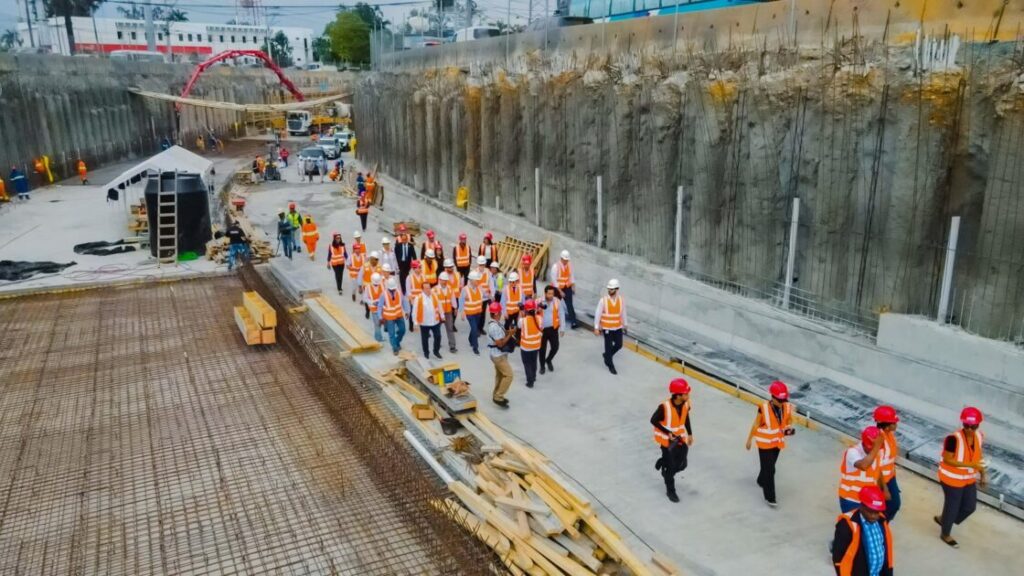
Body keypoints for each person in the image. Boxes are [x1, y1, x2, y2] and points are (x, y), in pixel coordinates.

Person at [935, 407, 987, 548]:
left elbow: (979, 456)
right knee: (952, 507)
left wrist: (983, 474)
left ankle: (945, 519)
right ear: (963, 423)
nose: (969, 429)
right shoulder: (953, 439)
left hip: (968, 479)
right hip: (951, 479)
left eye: (973, 426)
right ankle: (945, 534)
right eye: (966, 425)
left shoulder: (979, 436)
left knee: (969, 507)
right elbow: (947, 459)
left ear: (978, 425)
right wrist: (971, 464)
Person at [745, 380, 795, 507]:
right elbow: (756, 423)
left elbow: (788, 420)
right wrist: (749, 439)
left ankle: (761, 480)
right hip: (764, 443)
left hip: (777, 442)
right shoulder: (764, 408)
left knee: (769, 466)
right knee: (771, 470)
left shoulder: (787, 406)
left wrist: (789, 428)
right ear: (772, 397)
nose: (782, 402)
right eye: (780, 400)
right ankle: (770, 497)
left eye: (784, 400)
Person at [832, 485, 894, 576]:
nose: (873, 516)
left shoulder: (882, 521)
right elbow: (838, 558)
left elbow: (886, 550)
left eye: (876, 512)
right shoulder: (846, 526)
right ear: (861, 506)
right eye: (870, 511)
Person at [652, 378, 693, 503]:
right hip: (667, 443)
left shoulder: (685, 404)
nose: (688, 395)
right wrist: (667, 432)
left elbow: (686, 418)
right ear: (678, 395)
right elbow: (653, 420)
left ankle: (663, 462)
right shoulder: (664, 407)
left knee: (683, 465)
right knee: (670, 469)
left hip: (681, 439)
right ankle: (671, 490)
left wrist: (690, 433)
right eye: (686, 393)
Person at [839, 426, 887, 514]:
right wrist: (876, 447)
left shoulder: (878, 451)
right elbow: (864, 466)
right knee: (853, 526)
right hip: (851, 500)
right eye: (873, 446)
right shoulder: (852, 452)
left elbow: (878, 470)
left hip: (868, 500)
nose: (875, 449)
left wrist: (884, 490)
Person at [874, 406, 901, 521]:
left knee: (894, 505)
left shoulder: (889, 435)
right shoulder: (878, 439)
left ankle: (882, 525)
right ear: (886, 424)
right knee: (892, 505)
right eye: (894, 422)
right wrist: (884, 489)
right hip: (880, 480)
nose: (896, 424)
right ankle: (880, 526)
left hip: (890, 477)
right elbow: (877, 467)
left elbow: (889, 461)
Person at [594, 279, 626, 374]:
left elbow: (623, 313)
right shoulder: (603, 300)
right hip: (607, 328)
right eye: (609, 289)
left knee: (619, 345)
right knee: (608, 347)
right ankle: (610, 364)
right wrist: (596, 327)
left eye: (612, 289)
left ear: (617, 289)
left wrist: (626, 324)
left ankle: (607, 355)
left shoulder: (621, 300)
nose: (609, 291)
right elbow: (598, 314)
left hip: (617, 327)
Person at [486, 301, 515, 408]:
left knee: (500, 375)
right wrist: (510, 335)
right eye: (500, 311)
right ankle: (499, 396)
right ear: (497, 313)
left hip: (498, 354)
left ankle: (496, 395)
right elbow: (500, 343)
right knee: (509, 375)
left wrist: (508, 331)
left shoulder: (496, 323)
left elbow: (501, 334)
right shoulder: (494, 327)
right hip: (498, 355)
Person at [412, 282, 445, 360]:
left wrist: (442, 315)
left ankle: (436, 351)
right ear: (422, 289)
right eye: (426, 288)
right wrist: (415, 323)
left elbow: (439, 306)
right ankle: (426, 352)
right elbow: (415, 311)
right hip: (424, 323)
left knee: (438, 336)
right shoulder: (418, 298)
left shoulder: (435, 295)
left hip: (435, 321)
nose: (428, 290)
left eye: (429, 288)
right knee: (425, 339)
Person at [538, 285, 566, 374]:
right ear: (545, 293)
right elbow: (533, 313)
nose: (551, 295)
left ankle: (548, 360)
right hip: (542, 330)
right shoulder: (539, 301)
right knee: (542, 349)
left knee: (555, 347)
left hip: (553, 328)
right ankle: (542, 366)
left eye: (552, 294)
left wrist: (562, 328)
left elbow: (561, 314)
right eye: (549, 293)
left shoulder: (557, 301)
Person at [378, 277, 407, 355]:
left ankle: (397, 342)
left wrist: (407, 311)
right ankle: (395, 348)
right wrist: (380, 317)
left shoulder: (399, 292)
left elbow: (404, 301)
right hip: (389, 317)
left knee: (402, 330)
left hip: (399, 315)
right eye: (392, 289)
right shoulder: (383, 294)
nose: (393, 290)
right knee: (391, 334)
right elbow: (380, 306)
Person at [550, 250, 578, 328]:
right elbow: (554, 280)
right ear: (561, 258)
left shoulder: (569, 265)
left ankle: (573, 322)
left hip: (567, 287)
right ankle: (552, 320)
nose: (566, 261)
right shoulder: (555, 267)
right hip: (557, 288)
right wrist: (560, 291)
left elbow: (571, 276)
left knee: (570, 305)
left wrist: (573, 286)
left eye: (567, 260)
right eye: (565, 260)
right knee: (555, 304)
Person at [518, 299, 542, 388]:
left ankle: (530, 381)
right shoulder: (539, 318)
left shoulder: (523, 321)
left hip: (526, 347)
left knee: (527, 363)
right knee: (534, 361)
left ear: (525, 310)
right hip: (536, 345)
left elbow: (519, 325)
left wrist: (520, 312)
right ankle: (534, 376)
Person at [461, 270, 485, 355]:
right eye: (476, 280)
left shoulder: (480, 288)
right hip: (470, 314)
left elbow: (484, 296)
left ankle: (470, 339)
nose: (478, 282)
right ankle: (475, 347)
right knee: (475, 329)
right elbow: (461, 301)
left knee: (474, 328)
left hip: (478, 313)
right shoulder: (465, 290)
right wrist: (462, 312)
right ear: (471, 280)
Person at [437, 272, 459, 353]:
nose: (445, 282)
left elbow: (453, 299)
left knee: (450, 328)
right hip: (439, 313)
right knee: (437, 330)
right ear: (439, 280)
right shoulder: (435, 290)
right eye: (443, 280)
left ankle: (452, 346)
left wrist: (455, 308)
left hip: (448, 312)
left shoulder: (450, 289)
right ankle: (437, 343)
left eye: (446, 280)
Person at [364, 273, 385, 343]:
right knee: (377, 324)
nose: (376, 285)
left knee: (379, 323)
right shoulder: (368, 287)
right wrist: (372, 302)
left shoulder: (382, 286)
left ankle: (377, 336)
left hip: (381, 309)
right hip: (373, 309)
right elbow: (365, 298)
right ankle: (378, 338)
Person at [359, 252, 382, 316]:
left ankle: (375, 310)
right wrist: (359, 286)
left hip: (376, 286)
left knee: (375, 299)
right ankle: (367, 310)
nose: (377, 261)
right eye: (375, 259)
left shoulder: (379, 267)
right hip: (366, 286)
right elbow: (360, 276)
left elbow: (382, 277)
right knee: (367, 299)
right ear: (371, 259)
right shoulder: (365, 266)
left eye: (377, 260)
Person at [405, 260, 425, 332]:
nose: (420, 269)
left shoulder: (423, 276)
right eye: (419, 267)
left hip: (421, 299)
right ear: (414, 268)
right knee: (413, 312)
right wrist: (411, 299)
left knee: (422, 312)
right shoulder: (409, 277)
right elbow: (408, 290)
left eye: (420, 267)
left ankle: (423, 327)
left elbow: (425, 288)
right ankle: (411, 325)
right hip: (413, 299)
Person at [395, 224, 415, 291]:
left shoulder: (410, 245)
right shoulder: (398, 244)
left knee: (406, 275)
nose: (403, 241)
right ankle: (403, 288)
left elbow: (413, 254)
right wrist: (397, 262)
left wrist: (415, 263)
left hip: (408, 263)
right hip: (401, 262)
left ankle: (406, 287)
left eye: (405, 240)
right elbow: (396, 253)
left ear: (406, 239)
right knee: (401, 275)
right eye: (402, 240)